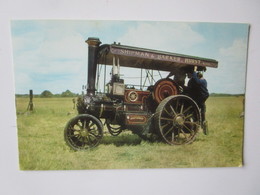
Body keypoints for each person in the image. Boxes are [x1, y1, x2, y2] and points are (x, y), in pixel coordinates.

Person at [187, 66, 209, 134]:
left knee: (201, 112)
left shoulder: (202, 81)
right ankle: (200, 122)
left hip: (202, 97)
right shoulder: (200, 81)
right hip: (200, 98)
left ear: (199, 76)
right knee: (199, 111)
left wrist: (194, 70)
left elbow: (196, 80)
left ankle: (203, 123)